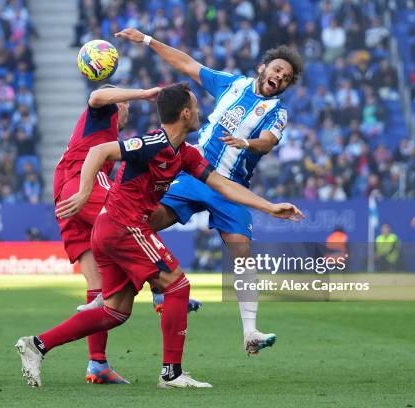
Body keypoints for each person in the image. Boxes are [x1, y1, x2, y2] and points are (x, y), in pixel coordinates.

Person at [16, 83, 304, 388]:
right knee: (178, 286)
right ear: (185, 113)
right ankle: (172, 373)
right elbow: (100, 150)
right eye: (195, 107)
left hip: (113, 230)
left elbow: (221, 184)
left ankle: (37, 345)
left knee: (115, 311)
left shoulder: (184, 153)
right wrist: (86, 189)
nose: (199, 112)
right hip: (123, 226)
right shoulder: (153, 143)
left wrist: (269, 207)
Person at [115, 27, 304, 355]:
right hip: (193, 173)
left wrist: (246, 142)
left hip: (231, 187)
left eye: (286, 77)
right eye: (277, 70)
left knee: (241, 253)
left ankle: (250, 332)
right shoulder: (233, 84)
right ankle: (130, 291)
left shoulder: (278, 113)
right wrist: (147, 40)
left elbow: (269, 143)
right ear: (263, 68)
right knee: (143, 224)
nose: (280, 77)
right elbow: (187, 64)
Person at [48, 84, 160, 384]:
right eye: (126, 104)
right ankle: (161, 285)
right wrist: (142, 93)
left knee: (98, 286)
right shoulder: (103, 112)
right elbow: (97, 95)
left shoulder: (106, 133)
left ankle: (97, 363)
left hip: (63, 194)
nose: (128, 110)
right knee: (127, 217)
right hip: (79, 184)